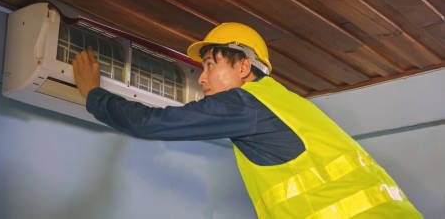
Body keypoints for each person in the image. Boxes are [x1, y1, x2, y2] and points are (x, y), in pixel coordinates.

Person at [72, 22, 422, 218]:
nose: (202, 79)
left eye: (210, 64)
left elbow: (149, 123)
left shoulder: (247, 103)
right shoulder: (288, 105)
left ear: (243, 67)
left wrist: (93, 94)